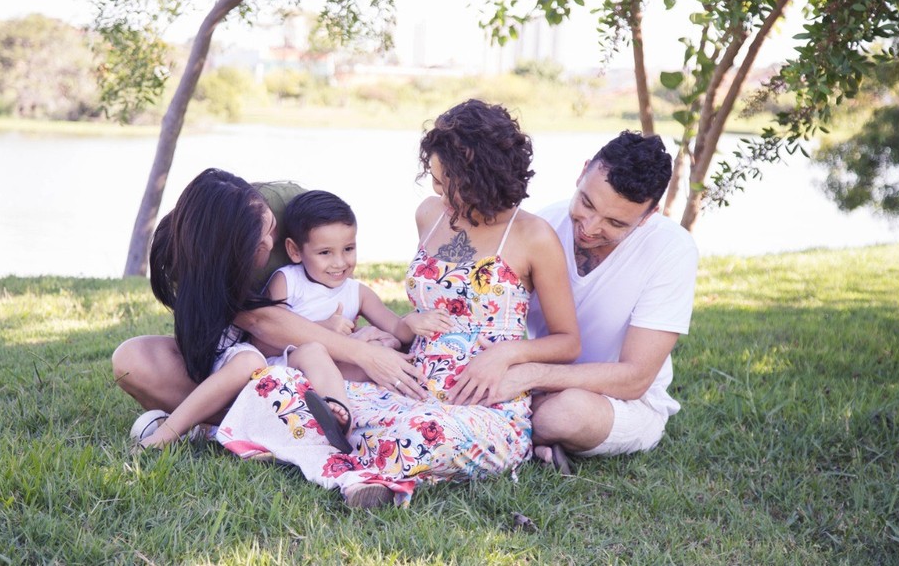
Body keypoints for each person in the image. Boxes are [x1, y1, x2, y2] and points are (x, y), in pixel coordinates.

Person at [214, 98, 580, 507]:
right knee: (279, 383)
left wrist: (507, 354)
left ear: (479, 174)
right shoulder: (431, 214)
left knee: (423, 435)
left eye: (447, 182)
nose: (438, 191)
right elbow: (430, 307)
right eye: (436, 180)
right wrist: (397, 330)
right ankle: (357, 463)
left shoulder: (534, 236)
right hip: (407, 384)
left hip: (482, 403)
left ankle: (337, 462)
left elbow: (567, 342)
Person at [488, 131, 699, 472]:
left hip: (622, 403)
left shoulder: (672, 250)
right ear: (583, 172)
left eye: (615, 222)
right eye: (586, 203)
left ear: (648, 215)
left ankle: (514, 429)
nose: (589, 227)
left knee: (566, 414)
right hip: (535, 384)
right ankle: (528, 438)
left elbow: (634, 379)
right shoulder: (542, 226)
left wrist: (529, 376)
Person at [131, 169, 360, 454]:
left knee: (311, 353)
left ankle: (338, 420)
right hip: (233, 360)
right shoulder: (189, 247)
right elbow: (249, 326)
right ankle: (179, 429)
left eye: (270, 227)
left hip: (278, 363)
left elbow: (274, 324)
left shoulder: (287, 208)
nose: (268, 242)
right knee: (134, 356)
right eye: (256, 239)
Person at [266, 189, 451, 368]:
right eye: (325, 252)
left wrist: (411, 322)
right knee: (313, 356)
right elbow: (265, 341)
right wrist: (323, 328)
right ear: (295, 250)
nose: (339, 262)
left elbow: (396, 328)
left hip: (339, 369)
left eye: (348, 249)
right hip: (291, 368)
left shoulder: (358, 293)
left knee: (382, 348)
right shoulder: (288, 282)